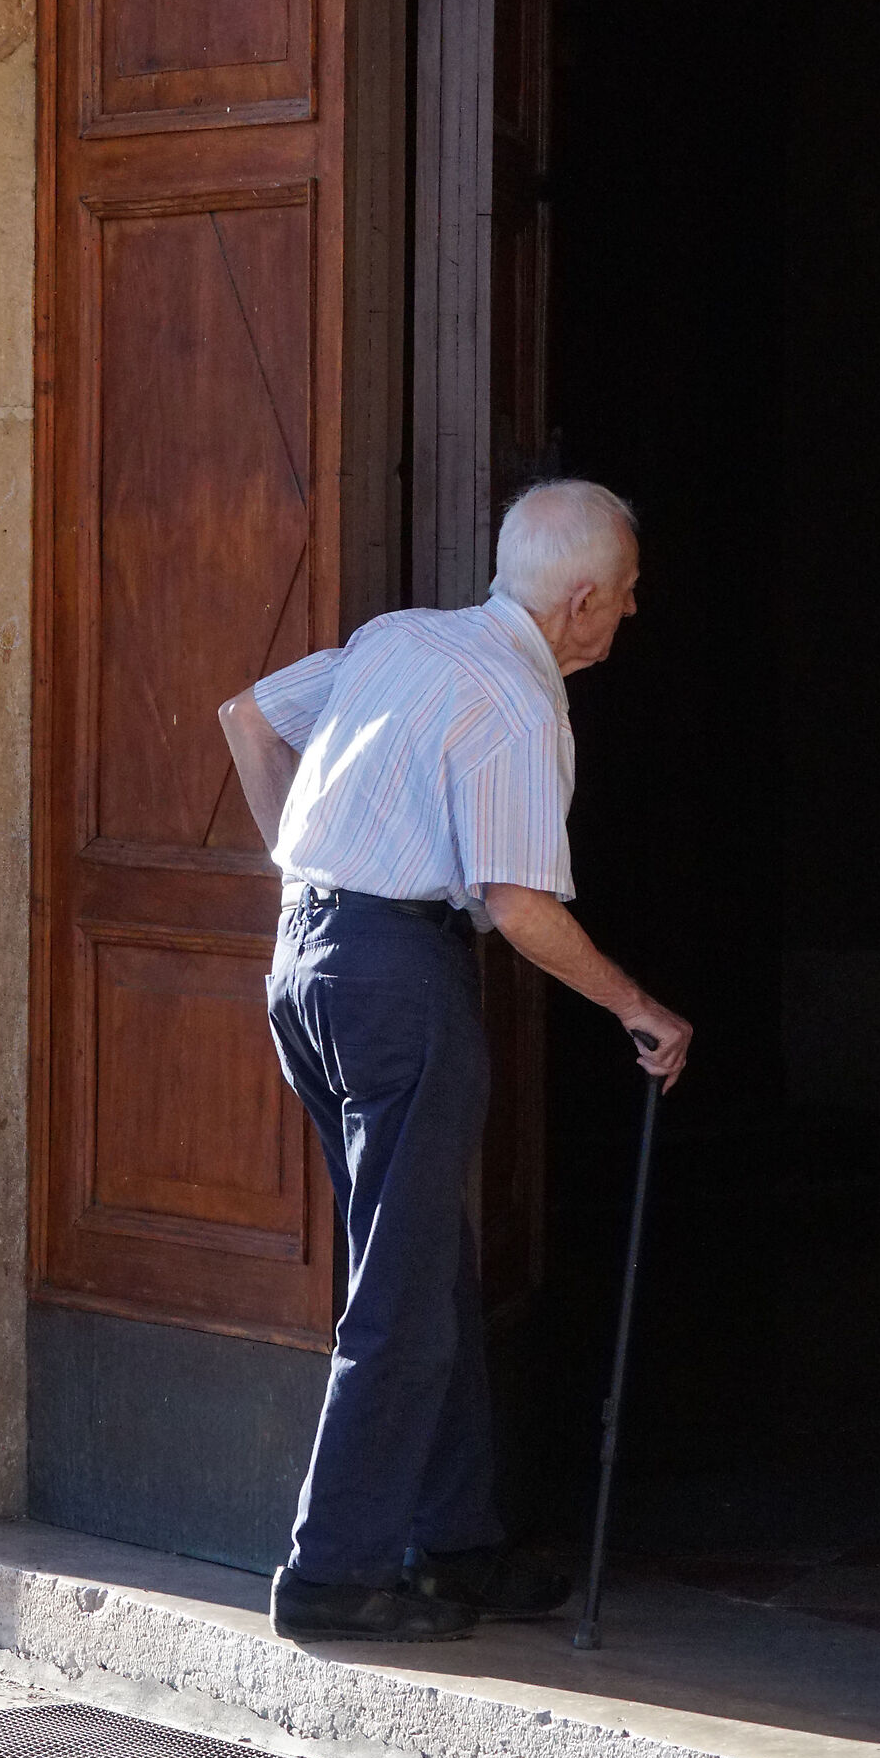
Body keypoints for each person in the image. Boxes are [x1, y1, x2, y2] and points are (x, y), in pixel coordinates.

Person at [218, 478, 693, 1645]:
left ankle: (457, 1543)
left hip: (309, 965)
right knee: (402, 1291)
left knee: (423, 1266)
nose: (630, 616)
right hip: (394, 982)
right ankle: (332, 1572)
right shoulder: (519, 704)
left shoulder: (403, 639)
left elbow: (249, 718)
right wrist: (639, 1009)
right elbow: (518, 903)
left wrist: (313, 868)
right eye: (626, 597)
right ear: (581, 601)